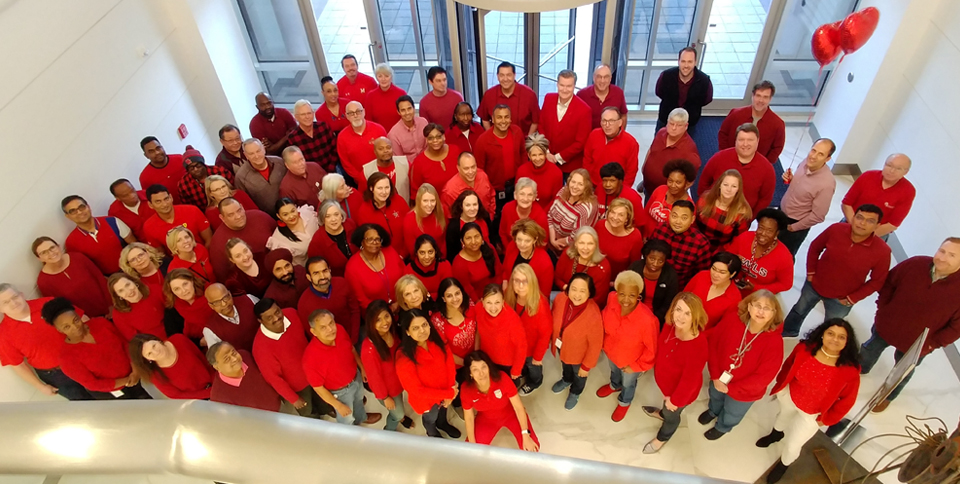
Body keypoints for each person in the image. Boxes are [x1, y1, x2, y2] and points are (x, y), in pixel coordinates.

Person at [859, 238, 960, 412]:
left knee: (903, 372)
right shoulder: (915, 264)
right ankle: (859, 368)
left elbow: (956, 328)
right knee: (869, 349)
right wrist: (882, 309)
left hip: (918, 344)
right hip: (887, 325)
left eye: (952, 255)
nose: (943, 258)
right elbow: (889, 284)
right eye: (942, 251)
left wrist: (931, 344)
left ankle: (888, 396)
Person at [758, 319, 861, 484]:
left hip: (813, 414)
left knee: (793, 445)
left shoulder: (849, 370)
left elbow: (847, 401)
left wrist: (826, 420)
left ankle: (784, 464)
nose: (835, 339)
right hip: (791, 396)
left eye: (841, 337)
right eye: (830, 333)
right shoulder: (805, 349)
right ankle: (775, 434)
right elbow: (788, 365)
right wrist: (781, 387)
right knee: (782, 417)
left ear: (847, 342)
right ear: (822, 335)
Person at [782, 205, 891, 337]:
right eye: (859, 217)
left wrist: (852, 298)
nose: (862, 223)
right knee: (799, 310)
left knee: (832, 327)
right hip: (814, 285)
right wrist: (811, 273)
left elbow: (877, 281)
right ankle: (787, 332)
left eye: (870, 221)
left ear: (877, 226)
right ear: (853, 217)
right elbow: (815, 247)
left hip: (841, 299)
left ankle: (819, 345)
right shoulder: (836, 229)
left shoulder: (882, 251)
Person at [703, 290, 784, 439]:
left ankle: (723, 426)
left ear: (774, 313)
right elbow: (714, 344)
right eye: (757, 305)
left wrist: (731, 388)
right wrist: (714, 375)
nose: (760, 311)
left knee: (733, 412)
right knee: (715, 396)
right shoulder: (732, 320)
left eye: (766, 308)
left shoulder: (774, 341)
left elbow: (763, 377)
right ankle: (712, 411)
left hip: (744, 391)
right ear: (748, 306)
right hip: (719, 377)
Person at [41, 298, 151, 399]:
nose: (75, 327)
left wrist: (136, 371)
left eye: (75, 320)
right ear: (60, 330)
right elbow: (92, 384)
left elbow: (125, 345)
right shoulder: (67, 358)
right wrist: (126, 381)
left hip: (133, 376)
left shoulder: (100, 323)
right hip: (112, 392)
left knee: (148, 403)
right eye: (67, 327)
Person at [641, 292, 708, 453]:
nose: (680, 317)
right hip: (666, 387)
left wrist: (675, 400)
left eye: (687, 313)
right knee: (666, 409)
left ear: (695, 316)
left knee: (672, 416)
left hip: (678, 394)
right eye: (678, 309)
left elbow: (689, 381)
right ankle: (663, 413)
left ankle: (663, 437)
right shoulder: (671, 326)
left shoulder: (698, 345)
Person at [0, 285, 92, 400]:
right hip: (57, 375)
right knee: (85, 403)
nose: (13, 303)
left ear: (22, 295)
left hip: (83, 358)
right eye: (5, 302)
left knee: (107, 392)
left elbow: (82, 319)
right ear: (1, 309)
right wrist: (41, 387)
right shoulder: (4, 334)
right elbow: (18, 365)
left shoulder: (48, 303)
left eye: (15, 297)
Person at [252, 298, 332, 418]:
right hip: (298, 387)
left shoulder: (291, 314)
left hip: (315, 371)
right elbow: (273, 379)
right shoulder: (260, 347)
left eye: (277, 312)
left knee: (323, 398)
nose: (276, 318)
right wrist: (293, 399)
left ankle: (326, 410)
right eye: (269, 318)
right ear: (260, 321)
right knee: (307, 410)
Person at [596, 271, 659, 421]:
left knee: (628, 383)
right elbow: (604, 318)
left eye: (632, 295)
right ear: (616, 292)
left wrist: (636, 367)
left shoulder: (648, 321)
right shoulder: (611, 299)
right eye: (622, 294)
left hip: (631, 362)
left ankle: (625, 401)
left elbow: (651, 350)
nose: (625, 300)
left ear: (639, 295)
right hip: (611, 352)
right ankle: (614, 385)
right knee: (614, 371)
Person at [302, 309, 382, 425]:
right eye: (323, 327)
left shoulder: (339, 329)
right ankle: (348, 435)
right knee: (346, 418)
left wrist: (362, 368)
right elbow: (318, 388)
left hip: (356, 377)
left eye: (331, 323)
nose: (330, 329)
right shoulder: (310, 359)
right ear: (313, 332)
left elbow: (352, 349)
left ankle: (361, 418)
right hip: (340, 392)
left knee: (359, 401)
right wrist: (338, 405)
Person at [395, 309, 461, 438]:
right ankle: (432, 433)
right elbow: (417, 390)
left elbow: (449, 362)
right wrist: (448, 394)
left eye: (424, 325)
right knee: (430, 418)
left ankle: (442, 424)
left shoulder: (437, 338)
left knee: (443, 412)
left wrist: (450, 389)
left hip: (446, 390)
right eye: (415, 328)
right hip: (427, 401)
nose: (422, 331)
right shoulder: (403, 358)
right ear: (408, 332)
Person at [461, 350, 540, 451]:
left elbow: (519, 407)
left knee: (532, 448)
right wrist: (472, 443)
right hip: (487, 420)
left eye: (484, 367)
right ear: (470, 373)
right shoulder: (466, 389)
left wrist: (525, 434)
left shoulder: (502, 378)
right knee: (471, 452)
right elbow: (469, 417)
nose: (481, 373)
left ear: (489, 367)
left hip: (511, 414)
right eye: (475, 369)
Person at [550, 273, 603, 410]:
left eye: (582, 290)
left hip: (580, 356)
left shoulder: (594, 314)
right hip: (563, 346)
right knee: (565, 366)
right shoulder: (560, 298)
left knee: (579, 375)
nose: (577, 294)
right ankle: (566, 380)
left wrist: (586, 367)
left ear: (590, 292)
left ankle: (575, 392)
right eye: (574, 289)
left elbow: (595, 345)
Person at [362, 300, 416, 430]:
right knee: (397, 414)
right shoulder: (369, 349)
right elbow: (374, 378)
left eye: (386, 316)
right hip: (388, 391)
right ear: (371, 323)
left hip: (399, 382)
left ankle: (400, 417)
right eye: (378, 320)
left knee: (398, 407)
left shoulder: (393, 331)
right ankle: (388, 431)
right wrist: (385, 398)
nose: (384, 322)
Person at [699, 123, 776, 214]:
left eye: (750, 140)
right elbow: (703, 183)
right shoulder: (718, 158)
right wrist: (705, 206)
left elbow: (765, 199)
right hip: (712, 212)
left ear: (758, 141)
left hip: (741, 218)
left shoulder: (767, 169)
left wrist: (750, 217)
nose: (745, 144)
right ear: (735, 140)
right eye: (741, 139)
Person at [778, 138, 837, 256]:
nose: (814, 156)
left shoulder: (827, 184)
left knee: (784, 255)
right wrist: (791, 179)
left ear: (828, 159)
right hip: (782, 212)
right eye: (813, 150)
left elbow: (818, 216)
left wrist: (793, 228)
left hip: (794, 224)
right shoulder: (806, 161)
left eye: (821, 154)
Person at [840, 153, 915, 241]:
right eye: (889, 165)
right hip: (851, 222)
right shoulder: (868, 176)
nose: (891, 171)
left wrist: (866, 235)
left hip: (877, 233)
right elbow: (847, 203)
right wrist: (855, 228)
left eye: (898, 168)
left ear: (906, 172)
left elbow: (893, 224)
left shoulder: (908, 191)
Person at [33, 237, 110, 318]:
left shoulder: (78, 258)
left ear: (58, 246)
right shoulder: (44, 282)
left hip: (110, 308)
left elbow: (100, 278)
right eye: (44, 252)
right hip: (86, 319)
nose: (50, 253)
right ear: (39, 258)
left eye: (52, 248)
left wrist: (111, 306)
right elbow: (60, 308)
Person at [504, 264, 551, 395]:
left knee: (533, 367)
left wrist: (538, 357)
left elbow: (545, 334)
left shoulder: (540, 305)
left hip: (532, 349)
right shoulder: (509, 296)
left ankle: (535, 382)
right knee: (522, 364)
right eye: (516, 281)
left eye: (525, 281)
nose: (520, 285)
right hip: (516, 346)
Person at [430, 277, 478, 403]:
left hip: (473, 355)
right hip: (455, 365)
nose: (455, 298)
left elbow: (478, 329)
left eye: (457, 293)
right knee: (460, 391)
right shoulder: (438, 321)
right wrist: (466, 364)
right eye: (449, 296)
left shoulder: (470, 305)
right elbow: (444, 351)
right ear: (443, 298)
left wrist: (477, 355)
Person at [62, 195, 135, 275]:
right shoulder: (71, 242)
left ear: (88, 207)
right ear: (67, 216)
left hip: (132, 267)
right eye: (73, 211)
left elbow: (134, 244)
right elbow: (84, 268)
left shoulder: (112, 221)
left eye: (82, 207)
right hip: (110, 279)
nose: (79, 212)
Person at [728, 208, 794, 297]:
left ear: (777, 233)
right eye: (761, 228)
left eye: (769, 231)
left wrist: (756, 288)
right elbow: (727, 256)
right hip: (732, 288)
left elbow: (786, 284)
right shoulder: (745, 237)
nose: (763, 233)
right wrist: (734, 260)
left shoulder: (784, 257)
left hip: (758, 297)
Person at [208, 198, 277, 281]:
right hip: (254, 285)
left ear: (242, 207)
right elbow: (223, 275)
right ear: (222, 218)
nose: (238, 216)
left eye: (239, 210)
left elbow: (281, 234)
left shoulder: (260, 216)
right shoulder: (218, 244)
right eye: (231, 215)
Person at [538, 70, 592, 175]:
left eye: (569, 86)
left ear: (574, 86)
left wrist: (557, 158)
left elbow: (580, 143)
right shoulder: (548, 98)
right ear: (557, 84)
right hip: (546, 159)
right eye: (562, 85)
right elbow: (541, 126)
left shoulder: (584, 110)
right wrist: (547, 152)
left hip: (570, 167)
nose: (565, 89)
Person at [129, 333, 214, 399]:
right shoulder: (155, 375)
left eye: (154, 346)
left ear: (157, 340)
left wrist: (218, 384)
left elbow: (203, 360)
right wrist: (211, 393)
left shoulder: (179, 339)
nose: (156, 352)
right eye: (149, 353)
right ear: (147, 359)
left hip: (216, 382)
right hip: (201, 400)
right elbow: (178, 395)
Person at [718, 81, 785, 164]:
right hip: (731, 159)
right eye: (758, 96)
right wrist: (725, 154)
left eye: (765, 97)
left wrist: (764, 164)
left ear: (770, 99)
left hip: (757, 164)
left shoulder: (777, 124)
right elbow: (723, 134)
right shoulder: (736, 114)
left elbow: (777, 148)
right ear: (752, 96)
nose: (760, 100)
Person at [298, 256, 362, 343]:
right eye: (316, 273)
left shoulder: (342, 283)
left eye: (325, 271)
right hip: (331, 346)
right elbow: (312, 334)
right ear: (309, 277)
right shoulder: (304, 304)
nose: (322, 277)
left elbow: (355, 311)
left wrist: (353, 340)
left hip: (353, 338)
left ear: (330, 270)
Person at [472, 105, 523, 212]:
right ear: (493, 119)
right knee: (497, 221)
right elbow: (479, 170)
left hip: (516, 186)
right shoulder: (483, 141)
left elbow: (523, 154)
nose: (503, 121)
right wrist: (488, 191)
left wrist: (522, 180)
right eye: (499, 117)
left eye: (506, 117)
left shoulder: (517, 132)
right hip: (495, 191)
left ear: (510, 118)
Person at [475, 285, 527, 389]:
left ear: (503, 302)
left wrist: (516, 369)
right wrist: (477, 352)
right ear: (482, 302)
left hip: (506, 363)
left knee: (509, 387)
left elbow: (521, 346)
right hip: (487, 357)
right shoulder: (478, 309)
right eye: (489, 302)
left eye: (497, 302)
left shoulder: (512, 320)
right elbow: (478, 330)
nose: (493, 308)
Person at [651, 200, 711, 287]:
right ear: (670, 215)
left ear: (692, 219)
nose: (678, 222)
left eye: (684, 218)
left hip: (679, 287)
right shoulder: (661, 228)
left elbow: (701, 275)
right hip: (653, 280)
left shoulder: (701, 243)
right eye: (674, 216)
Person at [345, 223, 406, 310]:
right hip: (375, 314)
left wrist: (400, 302)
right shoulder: (352, 267)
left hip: (402, 305)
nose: (374, 242)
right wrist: (386, 311)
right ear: (362, 242)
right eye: (369, 239)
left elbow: (406, 276)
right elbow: (361, 300)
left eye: (377, 239)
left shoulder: (390, 251)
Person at [208, 340, 281, 412]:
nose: (234, 359)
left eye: (233, 353)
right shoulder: (218, 396)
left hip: (281, 402)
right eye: (227, 359)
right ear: (217, 367)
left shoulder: (245, 356)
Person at [655, 47, 713, 132]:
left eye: (690, 62)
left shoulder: (704, 80)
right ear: (678, 61)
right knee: (660, 143)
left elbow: (706, 99)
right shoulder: (666, 76)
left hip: (689, 123)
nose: (686, 66)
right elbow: (659, 92)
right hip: (666, 120)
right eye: (683, 61)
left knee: (686, 145)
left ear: (695, 62)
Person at [696, 170, 752, 254]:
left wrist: (719, 254)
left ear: (738, 189)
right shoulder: (705, 199)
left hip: (721, 252)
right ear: (719, 185)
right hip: (697, 244)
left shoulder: (742, 213)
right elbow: (693, 223)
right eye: (725, 185)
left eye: (734, 186)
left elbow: (738, 241)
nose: (728, 189)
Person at [683, 252, 743, 329]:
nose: (715, 274)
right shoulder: (701, 276)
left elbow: (722, 327)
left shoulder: (735, 298)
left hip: (704, 336)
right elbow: (683, 297)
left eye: (722, 272)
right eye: (714, 269)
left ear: (732, 274)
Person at [582, 107, 639, 188]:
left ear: (620, 122)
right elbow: (587, 160)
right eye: (604, 121)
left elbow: (631, 171)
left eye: (611, 121)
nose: (607, 125)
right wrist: (587, 181)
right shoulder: (594, 135)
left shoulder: (631, 143)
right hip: (593, 185)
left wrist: (622, 191)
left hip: (615, 189)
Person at [142, 184, 212, 251]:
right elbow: (161, 256)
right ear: (150, 205)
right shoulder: (149, 227)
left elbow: (209, 240)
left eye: (166, 199)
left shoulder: (192, 211)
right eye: (158, 202)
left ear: (171, 197)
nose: (164, 204)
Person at [628, 239, 680, 327]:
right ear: (645, 255)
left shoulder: (670, 275)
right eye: (652, 259)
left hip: (656, 319)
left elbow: (669, 304)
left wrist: (652, 319)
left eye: (660, 261)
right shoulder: (635, 268)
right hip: (631, 312)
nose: (655, 264)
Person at [477, 61, 539, 135]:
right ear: (497, 76)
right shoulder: (489, 95)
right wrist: (492, 137)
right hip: (497, 142)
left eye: (509, 75)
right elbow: (485, 119)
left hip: (523, 142)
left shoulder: (529, 95)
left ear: (514, 75)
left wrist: (527, 142)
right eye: (502, 75)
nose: (505, 79)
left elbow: (535, 122)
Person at [555, 227, 612, 306]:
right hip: (564, 295)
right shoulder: (567, 254)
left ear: (596, 245)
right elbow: (557, 278)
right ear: (576, 244)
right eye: (581, 243)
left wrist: (577, 298)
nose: (585, 248)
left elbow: (598, 298)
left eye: (590, 243)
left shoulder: (603, 267)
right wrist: (569, 291)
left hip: (588, 306)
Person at [356, 172, 410, 256]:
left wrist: (403, 254)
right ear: (371, 188)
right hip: (383, 258)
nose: (384, 192)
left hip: (406, 253)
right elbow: (369, 242)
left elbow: (409, 226)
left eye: (387, 187)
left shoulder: (399, 200)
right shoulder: (364, 211)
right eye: (380, 188)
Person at [547, 168, 599, 253]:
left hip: (568, 250)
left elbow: (577, 236)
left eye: (580, 184)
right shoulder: (563, 191)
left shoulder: (586, 209)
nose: (575, 187)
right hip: (551, 241)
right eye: (573, 182)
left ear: (586, 187)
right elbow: (550, 216)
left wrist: (556, 243)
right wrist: (552, 240)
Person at [596, 162, 652, 236]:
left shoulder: (633, 197)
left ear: (620, 181)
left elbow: (640, 224)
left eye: (612, 181)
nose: (607, 185)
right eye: (605, 180)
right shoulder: (599, 189)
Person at [107, 273, 168, 341]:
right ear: (118, 296)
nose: (128, 291)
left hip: (174, 332)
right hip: (152, 343)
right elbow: (135, 340)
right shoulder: (119, 314)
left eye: (127, 285)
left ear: (134, 282)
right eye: (121, 291)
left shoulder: (155, 290)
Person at [501, 220, 553, 298]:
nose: (522, 244)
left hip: (531, 299)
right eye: (519, 239)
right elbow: (505, 269)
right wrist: (505, 281)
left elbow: (544, 294)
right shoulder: (512, 246)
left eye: (527, 241)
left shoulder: (545, 263)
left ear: (535, 240)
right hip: (510, 294)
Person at [203, 283, 260, 352]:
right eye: (217, 302)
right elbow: (220, 355)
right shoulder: (210, 330)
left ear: (230, 294)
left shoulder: (249, 299)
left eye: (225, 297)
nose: (224, 304)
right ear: (211, 305)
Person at [452, 223, 502, 302]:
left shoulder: (489, 248)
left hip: (496, 292)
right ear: (462, 241)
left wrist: (499, 294)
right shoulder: (459, 263)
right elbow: (467, 290)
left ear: (482, 238)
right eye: (468, 238)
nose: (473, 241)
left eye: (476, 237)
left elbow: (498, 272)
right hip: (477, 300)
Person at [307, 200, 357, 277]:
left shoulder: (351, 225)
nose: (333, 219)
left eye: (336, 214)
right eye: (328, 216)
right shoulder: (317, 242)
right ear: (322, 219)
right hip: (339, 280)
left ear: (341, 215)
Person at [236, 138, 288, 213]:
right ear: (246, 155)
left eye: (258, 151)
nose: (256, 156)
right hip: (268, 217)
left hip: (291, 209)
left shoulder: (279, 162)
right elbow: (246, 203)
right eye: (251, 153)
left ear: (264, 149)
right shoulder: (241, 177)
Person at [594, 198, 644, 276]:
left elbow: (634, 266)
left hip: (617, 280)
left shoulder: (635, 236)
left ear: (627, 218)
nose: (615, 217)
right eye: (613, 212)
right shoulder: (599, 225)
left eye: (621, 215)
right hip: (596, 274)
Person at [412, 123, 461, 199]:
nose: (435, 140)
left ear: (444, 137)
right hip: (434, 206)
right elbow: (416, 193)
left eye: (438, 137)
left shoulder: (455, 151)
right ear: (426, 140)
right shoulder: (419, 162)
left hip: (460, 201)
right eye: (430, 138)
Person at [164, 268, 215, 340]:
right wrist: (200, 343)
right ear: (172, 292)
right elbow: (177, 338)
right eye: (177, 289)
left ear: (192, 281)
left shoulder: (212, 292)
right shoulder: (173, 309)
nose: (183, 291)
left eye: (185, 284)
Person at [515, 134, 563, 210]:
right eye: (534, 155)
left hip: (547, 215)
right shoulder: (522, 171)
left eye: (540, 154)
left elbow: (556, 200)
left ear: (545, 154)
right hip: (525, 212)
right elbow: (518, 196)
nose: (538, 158)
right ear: (529, 155)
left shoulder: (556, 173)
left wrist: (541, 215)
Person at [441, 152, 496, 218]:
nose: (471, 172)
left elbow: (492, 196)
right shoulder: (449, 190)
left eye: (473, 167)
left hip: (485, 222)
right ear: (458, 168)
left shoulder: (483, 176)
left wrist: (490, 217)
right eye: (466, 168)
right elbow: (448, 216)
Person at [266, 198, 319, 266]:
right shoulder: (278, 239)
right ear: (279, 216)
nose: (291, 216)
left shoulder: (307, 213)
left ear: (296, 207)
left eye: (293, 211)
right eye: (285, 214)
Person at [499, 178, 550, 246]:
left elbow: (543, 242)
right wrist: (509, 250)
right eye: (522, 194)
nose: (525, 199)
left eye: (529, 195)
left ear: (534, 197)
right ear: (515, 195)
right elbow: (502, 233)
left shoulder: (541, 216)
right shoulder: (507, 208)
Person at [576, 64, 628, 129]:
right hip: (589, 136)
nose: (602, 81)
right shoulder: (582, 95)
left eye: (606, 77)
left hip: (611, 136)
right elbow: (576, 119)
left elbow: (623, 115)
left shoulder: (618, 93)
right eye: (599, 77)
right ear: (594, 78)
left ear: (610, 78)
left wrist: (620, 134)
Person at [444, 190, 493, 257]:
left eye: (475, 204)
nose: (472, 208)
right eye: (468, 205)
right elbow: (452, 254)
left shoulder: (485, 217)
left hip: (487, 258)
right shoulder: (454, 227)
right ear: (461, 206)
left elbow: (492, 240)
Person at [647, 159, 696, 225]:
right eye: (670, 181)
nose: (673, 185)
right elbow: (646, 213)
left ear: (687, 183)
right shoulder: (660, 190)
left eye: (678, 182)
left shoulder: (688, 206)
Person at [404, 184, 447, 258]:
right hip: (422, 261)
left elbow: (444, 238)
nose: (429, 205)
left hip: (441, 258)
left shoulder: (442, 211)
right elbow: (413, 251)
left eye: (432, 200)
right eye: (425, 201)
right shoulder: (409, 220)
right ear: (419, 201)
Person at [278, 146, 328, 210]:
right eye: (295, 162)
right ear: (287, 165)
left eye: (301, 159)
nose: (300, 164)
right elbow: (291, 211)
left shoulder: (314, 166)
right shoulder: (286, 188)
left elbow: (330, 185)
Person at [139, 136, 186, 204]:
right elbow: (153, 200)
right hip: (174, 210)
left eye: (158, 148)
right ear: (146, 155)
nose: (157, 152)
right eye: (151, 151)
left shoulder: (180, 159)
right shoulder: (145, 177)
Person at [404, 235, 452, 299]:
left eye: (430, 252)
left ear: (436, 251)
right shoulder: (409, 269)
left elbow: (448, 291)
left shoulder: (445, 265)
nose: (427, 257)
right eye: (422, 253)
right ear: (416, 253)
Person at [364, 63, 407, 129]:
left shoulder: (401, 93)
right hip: (379, 134)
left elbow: (406, 116)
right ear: (376, 77)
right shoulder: (370, 96)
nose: (383, 79)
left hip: (399, 134)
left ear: (391, 77)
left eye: (386, 76)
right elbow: (368, 120)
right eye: (380, 76)